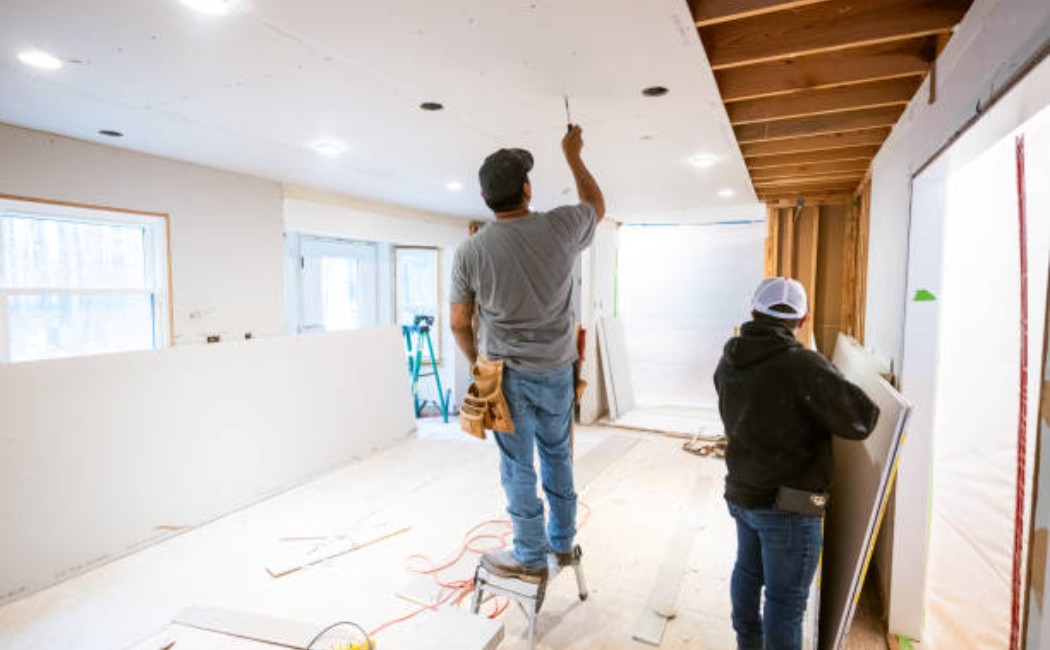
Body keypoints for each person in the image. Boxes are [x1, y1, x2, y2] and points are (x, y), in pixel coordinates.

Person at [449, 124, 605, 582]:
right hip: (558, 371)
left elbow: (459, 320)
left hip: (503, 374)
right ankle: (561, 544)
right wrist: (574, 155)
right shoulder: (561, 226)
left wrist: (476, 359)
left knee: (517, 465)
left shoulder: (470, 251)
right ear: (526, 189)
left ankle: (530, 557)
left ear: (484, 196)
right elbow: (596, 207)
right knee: (557, 456)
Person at [714, 277, 880, 650]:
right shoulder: (803, 365)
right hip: (792, 507)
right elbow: (862, 419)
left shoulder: (730, 357)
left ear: (754, 312)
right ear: (802, 321)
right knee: (785, 604)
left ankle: (748, 645)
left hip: (742, 493)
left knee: (747, 571)